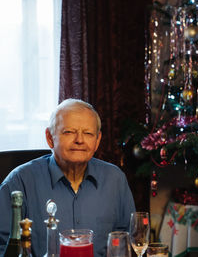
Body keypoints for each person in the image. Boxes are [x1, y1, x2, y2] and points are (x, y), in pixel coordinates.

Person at [0, 99, 136, 257]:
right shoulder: (19, 182)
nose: (79, 140)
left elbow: (128, 243)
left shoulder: (115, 179)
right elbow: (3, 247)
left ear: (97, 140)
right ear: (50, 138)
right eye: (69, 132)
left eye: (88, 133)